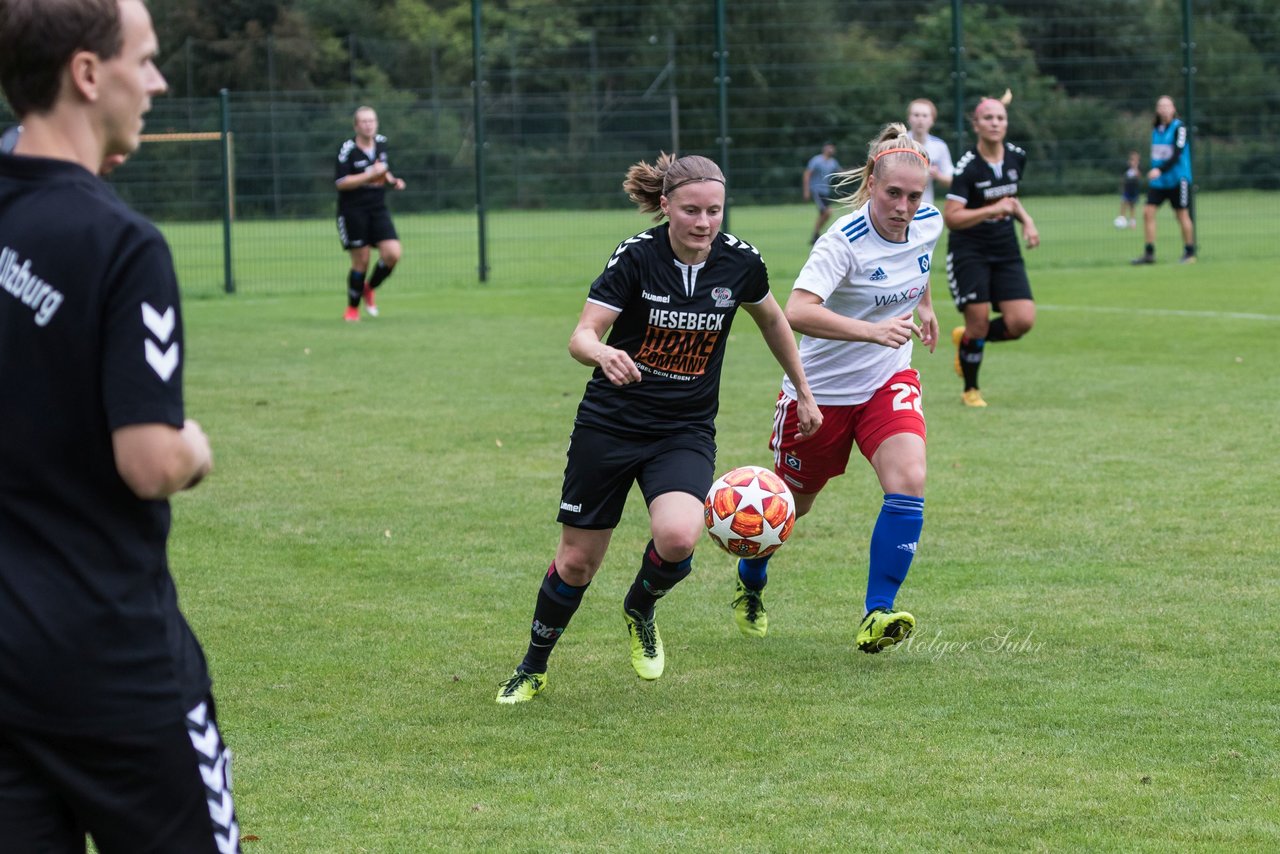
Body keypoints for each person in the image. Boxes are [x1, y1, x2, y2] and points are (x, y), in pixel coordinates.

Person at [0, 1, 240, 851]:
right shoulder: (120, 243)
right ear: (87, 73)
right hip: (109, 659)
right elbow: (147, 461)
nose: (159, 83)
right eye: (145, 60)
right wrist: (195, 450)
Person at [495, 152, 822, 703]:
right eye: (692, 210)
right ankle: (533, 665)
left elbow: (774, 322)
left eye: (714, 211)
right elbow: (581, 336)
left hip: (684, 429)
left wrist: (804, 391)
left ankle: (640, 607)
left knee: (677, 538)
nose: (704, 223)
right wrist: (602, 353)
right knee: (577, 561)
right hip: (611, 423)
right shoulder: (637, 258)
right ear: (666, 206)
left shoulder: (740, 263)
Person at [730, 123, 941, 653]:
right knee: (788, 512)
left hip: (888, 380)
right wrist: (872, 329)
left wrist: (925, 305)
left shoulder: (929, 222)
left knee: (909, 480)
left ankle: (878, 613)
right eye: (893, 193)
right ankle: (751, 581)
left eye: (914, 196)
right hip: (819, 395)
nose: (904, 206)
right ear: (871, 182)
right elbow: (798, 311)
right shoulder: (842, 241)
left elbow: (917, 265)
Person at [943, 90, 1040, 408]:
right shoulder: (967, 167)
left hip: (1005, 247)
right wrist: (989, 210)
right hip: (969, 249)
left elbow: (1010, 199)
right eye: (988, 118)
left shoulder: (1016, 156)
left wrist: (1026, 220)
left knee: (1021, 321)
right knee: (979, 320)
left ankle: (968, 337)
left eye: (1000, 117)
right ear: (976, 125)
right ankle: (971, 389)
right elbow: (952, 218)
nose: (995, 123)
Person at [335, 105, 405, 321]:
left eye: (371, 121)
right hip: (353, 211)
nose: (368, 125)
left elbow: (382, 170)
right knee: (361, 261)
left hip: (377, 209)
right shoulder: (347, 149)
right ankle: (352, 309)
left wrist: (393, 182)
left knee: (392, 253)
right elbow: (341, 182)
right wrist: (368, 176)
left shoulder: (381, 143)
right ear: (356, 126)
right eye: (364, 121)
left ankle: (369, 288)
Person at [1131, 95, 1195, 265]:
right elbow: (1158, 156)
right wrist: (1146, 169)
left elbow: (1177, 153)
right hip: (1159, 182)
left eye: (1168, 106)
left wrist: (1159, 170)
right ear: (1157, 110)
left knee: (1181, 215)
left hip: (1177, 179)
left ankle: (1189, 253)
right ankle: (1149, 254)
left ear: (1173, 109)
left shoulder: (1179, 128)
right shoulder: (1156, 130)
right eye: (1161, 106)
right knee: (1147, 212)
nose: (1164, 109)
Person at [906, 98, 954, 205]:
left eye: (924, 115)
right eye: (916, 115)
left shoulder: (939, 146)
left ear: (932, 120)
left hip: (925, 206)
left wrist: (938, 175)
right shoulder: (898, 143)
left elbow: (951, 181)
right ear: (909, 118)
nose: (920, 119)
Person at [803, 141, 841, 243]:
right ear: (824, 149)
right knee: (827, 212)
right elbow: (807, 174)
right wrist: (806, 191)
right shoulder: (816, 160)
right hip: (817, 190)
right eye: (829, 147)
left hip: (826, 191)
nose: (831, 150)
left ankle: (815, 235)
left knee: (825, 214)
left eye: (832, 148)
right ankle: (816, 234)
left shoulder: (833, 162)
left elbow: (840, 172)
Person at [1118, 150, 1140, 228]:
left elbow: (1138, 176)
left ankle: (1132, 222)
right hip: (1127, 190)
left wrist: (1135, 167)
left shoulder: (1137, 169)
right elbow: (1124, 178)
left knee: (1132, 206)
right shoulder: (1127, 169)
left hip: (1133, 190)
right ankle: (1122, 219)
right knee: (1123, 203)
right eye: (1131, 159)